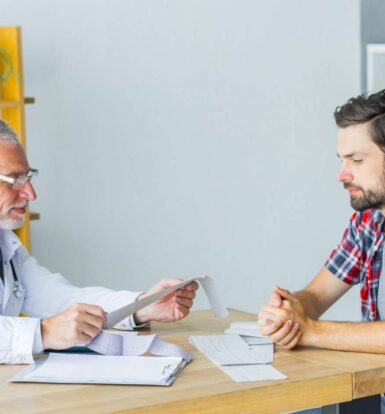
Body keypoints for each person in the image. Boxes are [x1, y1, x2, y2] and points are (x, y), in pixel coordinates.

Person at [0, 120, 198, 364]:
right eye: (15, 180)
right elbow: (50, 326)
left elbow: (61, 298)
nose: (31, 194)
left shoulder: (6, 246)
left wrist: (140, 306)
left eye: (28, 177)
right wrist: (43, 332)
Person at [258, 89, 385, 354]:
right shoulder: (368, 224)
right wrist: (289, 311)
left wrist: (312, 331)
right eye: (342, 160)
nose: (342, 174)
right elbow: (316, 295)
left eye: (357, 160)